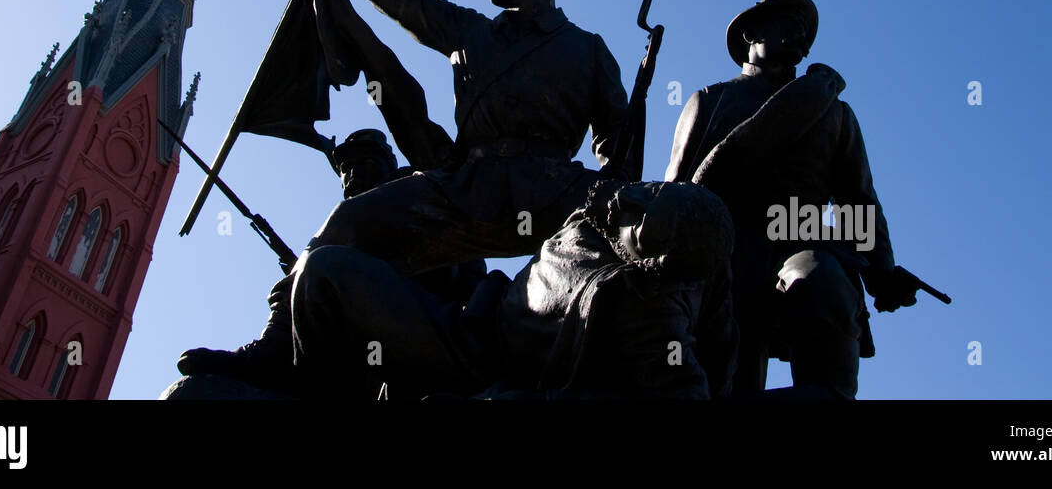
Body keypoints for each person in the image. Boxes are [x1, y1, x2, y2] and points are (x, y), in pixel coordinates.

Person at [300, 0, 630, 278]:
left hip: (557, 190)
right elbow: (409, 0)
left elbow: (620, 145)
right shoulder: (470, 31)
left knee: (651, 223)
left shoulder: (588, 49)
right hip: (464, 190)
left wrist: (616, 201)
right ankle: (279, 326)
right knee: (342, 226)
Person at [665, 0, 916, 399]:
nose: (801, 38)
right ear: (752, 32)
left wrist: (882, 272)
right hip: (724, 249)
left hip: (799, 242)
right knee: (723, 376)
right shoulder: (709, 100)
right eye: (789, 26)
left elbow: (859, 203)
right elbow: (675, 193)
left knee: (822, 280)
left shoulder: (833, 111)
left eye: (806, 33)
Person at [290, 180, 737, 400]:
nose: (631, 204)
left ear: (655, 262)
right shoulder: (600, 206)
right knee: (325, 271)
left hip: (488, 371)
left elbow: (684, 391)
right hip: (466, 325)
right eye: (651, 192)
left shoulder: (648, 308)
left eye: (643, 227)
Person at [175, 129, 485, 394]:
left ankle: (272, 350)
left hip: (437, 329)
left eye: (364, 162)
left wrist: (322, 276)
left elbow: (445, 274)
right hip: (372, 340)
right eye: (346, 169)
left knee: (322, 263)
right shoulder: (352, 227)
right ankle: (277, 347)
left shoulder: (407, 188)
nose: (353, 174)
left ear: (387, 164)